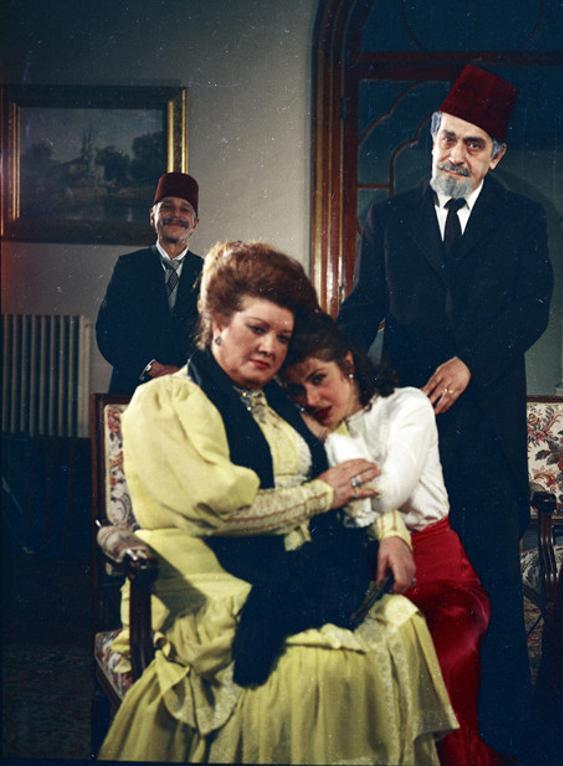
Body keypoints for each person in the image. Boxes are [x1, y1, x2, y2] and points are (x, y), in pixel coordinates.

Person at [98, 241, 456, 764]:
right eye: (257, 328)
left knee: (399, 621)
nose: (270, 347)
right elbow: (215, 511)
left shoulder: (284, 399)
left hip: (290, 565)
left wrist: (392, 534)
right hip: (199, 572)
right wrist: (320, 493)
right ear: (218, 320)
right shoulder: (165, 400)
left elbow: (354, 468)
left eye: (283, 336)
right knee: (312, 663)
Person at [337, 64, 554, 758]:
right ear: (432, 136)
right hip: (409, 434)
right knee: (411, 586)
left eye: (474, 145)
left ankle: (505, 741)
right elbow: (363, 309)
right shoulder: (389, 217)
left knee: (492, 586)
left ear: (497, 156)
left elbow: (532, 310)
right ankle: (409, 739)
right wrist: (321, 369)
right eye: (448, 138)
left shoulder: (522, 219)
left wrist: (471, 363)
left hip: (487, 433)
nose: (456, 155)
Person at [282, 312, 501, 766]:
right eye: (298, 390)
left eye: (319, 379)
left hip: (441, 581)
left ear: (348, 364)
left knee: (439, 673)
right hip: (365, 582)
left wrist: (331, 444)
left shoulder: (408, 405)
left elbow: (390, 492)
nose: (313, 399)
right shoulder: (312, 424)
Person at [96, 172, 203, 395]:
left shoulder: (209, 272)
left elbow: (218, 339)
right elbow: (108, 331)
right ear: (152, 216)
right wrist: (151, 368)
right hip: (133, 388)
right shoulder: (128, 267)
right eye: (167, 207)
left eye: (185, 209)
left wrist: (183, 371)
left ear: (195, 223)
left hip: (190, 390)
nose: (176, 214)